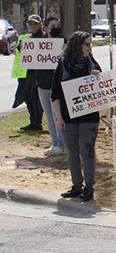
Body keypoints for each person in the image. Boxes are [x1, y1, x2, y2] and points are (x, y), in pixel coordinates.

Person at [51, 32, 102, 202]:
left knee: (87, 151)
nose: (89, 48)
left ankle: (89, 187)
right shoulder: (63, 64)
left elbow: (103, 90)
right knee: (72, 152)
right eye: (86, 44)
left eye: (90, 44)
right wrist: (58, 118)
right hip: (68, 117)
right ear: (77, 45)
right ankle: (76, 186)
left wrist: (97, 79)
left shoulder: (92, 64)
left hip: (89, 116)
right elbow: (55, 93)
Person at [37, 17, 66, 156]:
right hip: (43, 83)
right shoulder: (38, 43)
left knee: (57, 115)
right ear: (46, 28)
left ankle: (62, 144)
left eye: (57, 25)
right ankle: (55, 143)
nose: (55, 27)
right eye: (52, 25)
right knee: (49, 115)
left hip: (58, 86)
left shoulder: (64, 42)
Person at [12, 16, 43, 132]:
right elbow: (19, 52)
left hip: (38, 73)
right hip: (26, 73)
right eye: (30, 24)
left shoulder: (44, 37)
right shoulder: (25, 38)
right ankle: (32, 121)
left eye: (35, 24)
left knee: (35, 98)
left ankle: (37, 123)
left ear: (40, 24)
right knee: (27, 97)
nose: (33, 26)